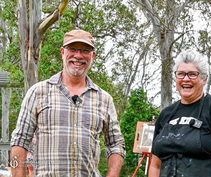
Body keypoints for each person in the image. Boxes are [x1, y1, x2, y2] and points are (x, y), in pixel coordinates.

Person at [10, 29, 126, 177]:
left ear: (93, 56)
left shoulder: (104, 99)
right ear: (63, 52)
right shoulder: (38, 92)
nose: (78, 56)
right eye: (72, 49)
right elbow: (20, 140)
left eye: (85, 50)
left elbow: (116, 144)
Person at [148, 49, 211, 177]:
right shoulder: (166, 115)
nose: (186, 79)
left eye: (192, 74)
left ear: (204, 79)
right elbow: (155, 165)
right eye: (181, 74)